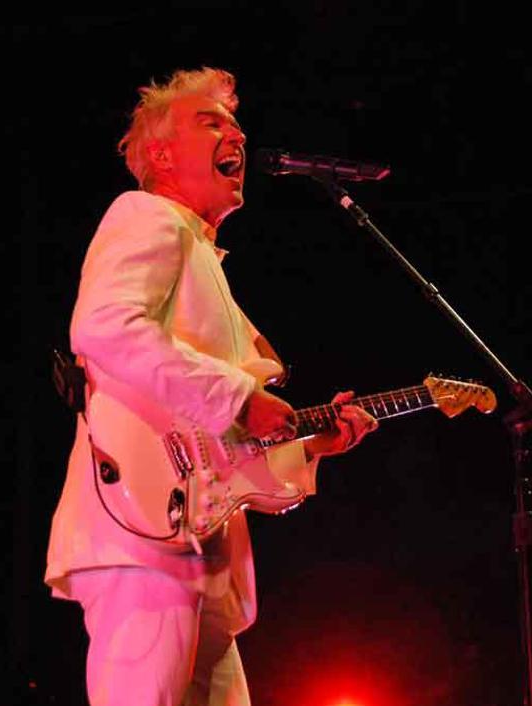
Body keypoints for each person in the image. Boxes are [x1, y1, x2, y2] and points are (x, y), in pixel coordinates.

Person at [44, 66, 378, 706]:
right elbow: (105, 325)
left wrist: (308, 445)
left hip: (195, 543)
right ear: (162, 155)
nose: (238, 136)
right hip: (143, 534)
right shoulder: (147, 215)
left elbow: (218, 440)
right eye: (211, 123)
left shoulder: (203, 261)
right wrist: (239, 397)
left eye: (236, 126)